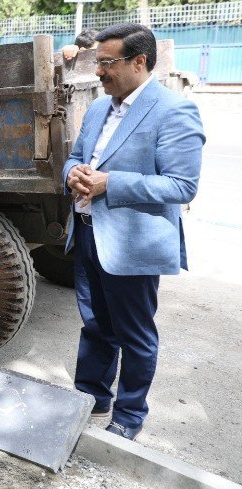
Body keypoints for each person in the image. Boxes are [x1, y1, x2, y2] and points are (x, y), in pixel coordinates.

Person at [63, 23, 205, 441]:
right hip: (88, 233)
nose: (99, 72)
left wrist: (111, 183)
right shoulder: (96, 108)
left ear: (138, 62)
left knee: (135, 336)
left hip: (132, 244)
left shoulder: (172, 110)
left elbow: (182, 186)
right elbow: (73, 157)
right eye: (97, 63)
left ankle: (128, 416)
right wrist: (73, 175)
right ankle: (90, 397)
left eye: (106, 63)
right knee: (95, 326)